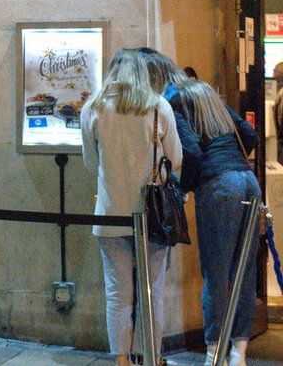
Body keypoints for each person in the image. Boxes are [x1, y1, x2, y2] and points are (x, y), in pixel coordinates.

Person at [80, 49, 182, 366]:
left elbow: (90, 164)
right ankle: (150, 355)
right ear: (142, 74)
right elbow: (175, 159)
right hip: (152, 217)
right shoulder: (157, 107)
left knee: (117, 292)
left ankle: (122, 359)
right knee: (153, 291)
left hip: (110, 214)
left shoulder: (93, 108)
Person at [173, 79, 259, 366]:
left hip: (219, 186)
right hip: (248, 181)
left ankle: (214, 353)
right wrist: (233, 161)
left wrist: (183, 187)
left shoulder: (179, 105)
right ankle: (239, 352)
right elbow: (249, 135)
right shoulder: (218, 105)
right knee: (245, 271)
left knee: (216, 272)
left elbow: (194, 153)